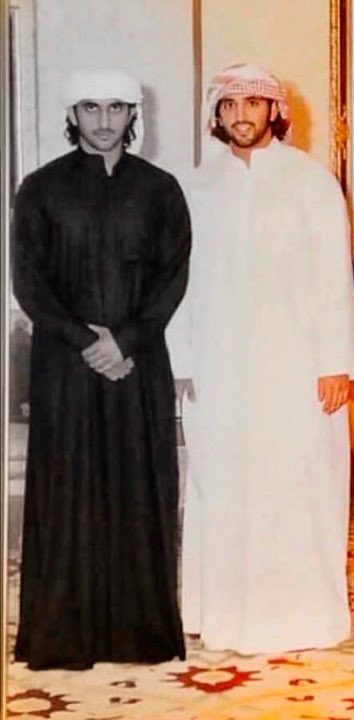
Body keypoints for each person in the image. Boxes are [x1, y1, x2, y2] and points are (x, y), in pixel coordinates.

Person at [173, 63, 354, 654]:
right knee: (221, 483)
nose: (241, 115)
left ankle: (303, 619)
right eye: (230, 105)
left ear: (275, 111)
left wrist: (336, 362)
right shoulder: (197, 187)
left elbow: (334, 276)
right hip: (219, 364)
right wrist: (183, 362)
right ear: (218, 114)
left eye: (253, 104)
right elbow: (180, 281)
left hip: (296, 366)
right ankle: (222, 616)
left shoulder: (311, 182)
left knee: (297, 483)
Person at [12, 69, 189, 669]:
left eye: (116, 108)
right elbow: (29, 283)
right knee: (68, 495)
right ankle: (63, 639)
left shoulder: (160, 190)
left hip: (137, 364)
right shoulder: (40, 189)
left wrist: (127, 340)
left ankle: (141, 636)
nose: (104, 120)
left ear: (133, 114)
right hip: (65, 367)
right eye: (91, 108)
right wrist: (88, 341)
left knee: (139, 491)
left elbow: (173, 277)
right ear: (73, 114)